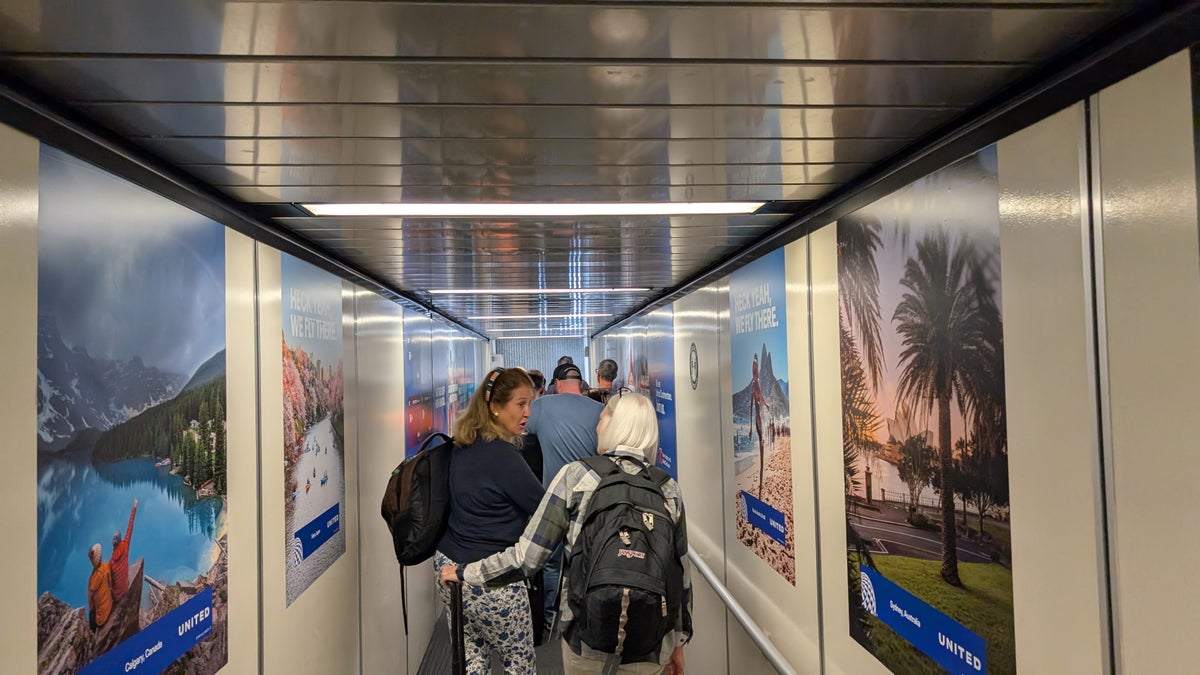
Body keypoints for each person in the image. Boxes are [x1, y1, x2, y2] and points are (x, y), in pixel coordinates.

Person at [440, 392, 692, 675]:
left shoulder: (575, 476)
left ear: (613, 425)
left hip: (585, 636)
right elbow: (680, 577)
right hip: (652, 640)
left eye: (602, 419)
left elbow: (526, 558)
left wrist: (465, 573)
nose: (597, 426)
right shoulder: (668, 489)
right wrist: (679, 643)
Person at [434, 367, 545, 675]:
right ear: (496, 407)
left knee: (472, 659)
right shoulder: (504, 457)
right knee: (518, 664)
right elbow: (543, 507)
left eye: (530, 404)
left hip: (451, 572)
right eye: (520, 404)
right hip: (492, 578)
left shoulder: (461, 445)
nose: (527, 413)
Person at [525, 362, 604, 627]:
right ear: (581, 384)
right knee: (587, 558)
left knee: (549, 561)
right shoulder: (601, 411)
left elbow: (525, 435)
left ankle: (549, 618)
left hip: (554, 497)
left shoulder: (542, 407)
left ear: (556, 384)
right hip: (592, 499)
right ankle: (586, 618)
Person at [750, 353, 771, 497]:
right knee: (761, 443)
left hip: (759, 422)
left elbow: (760, 398)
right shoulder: (754, 385)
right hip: (758, 422)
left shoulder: (756, 385)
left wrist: (766, 404)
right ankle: (760, 490)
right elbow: (754, 403)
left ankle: (760, 489)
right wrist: (751, 428)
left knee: (761, 444)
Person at [109, 498, 138, 599]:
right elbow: (130, 526)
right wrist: (134, 507)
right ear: (120, 540)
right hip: (125, 589)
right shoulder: (125, 545)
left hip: (116, 596)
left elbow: (110, 581)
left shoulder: (111, 562)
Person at [87, 543, 113, 632]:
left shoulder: (96, 576)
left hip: (102, 613)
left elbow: (91, 598)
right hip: (109, 603)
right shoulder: (106, 566)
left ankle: (92, 633)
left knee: (92, 620)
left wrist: (92, 610)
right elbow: (110, 583)